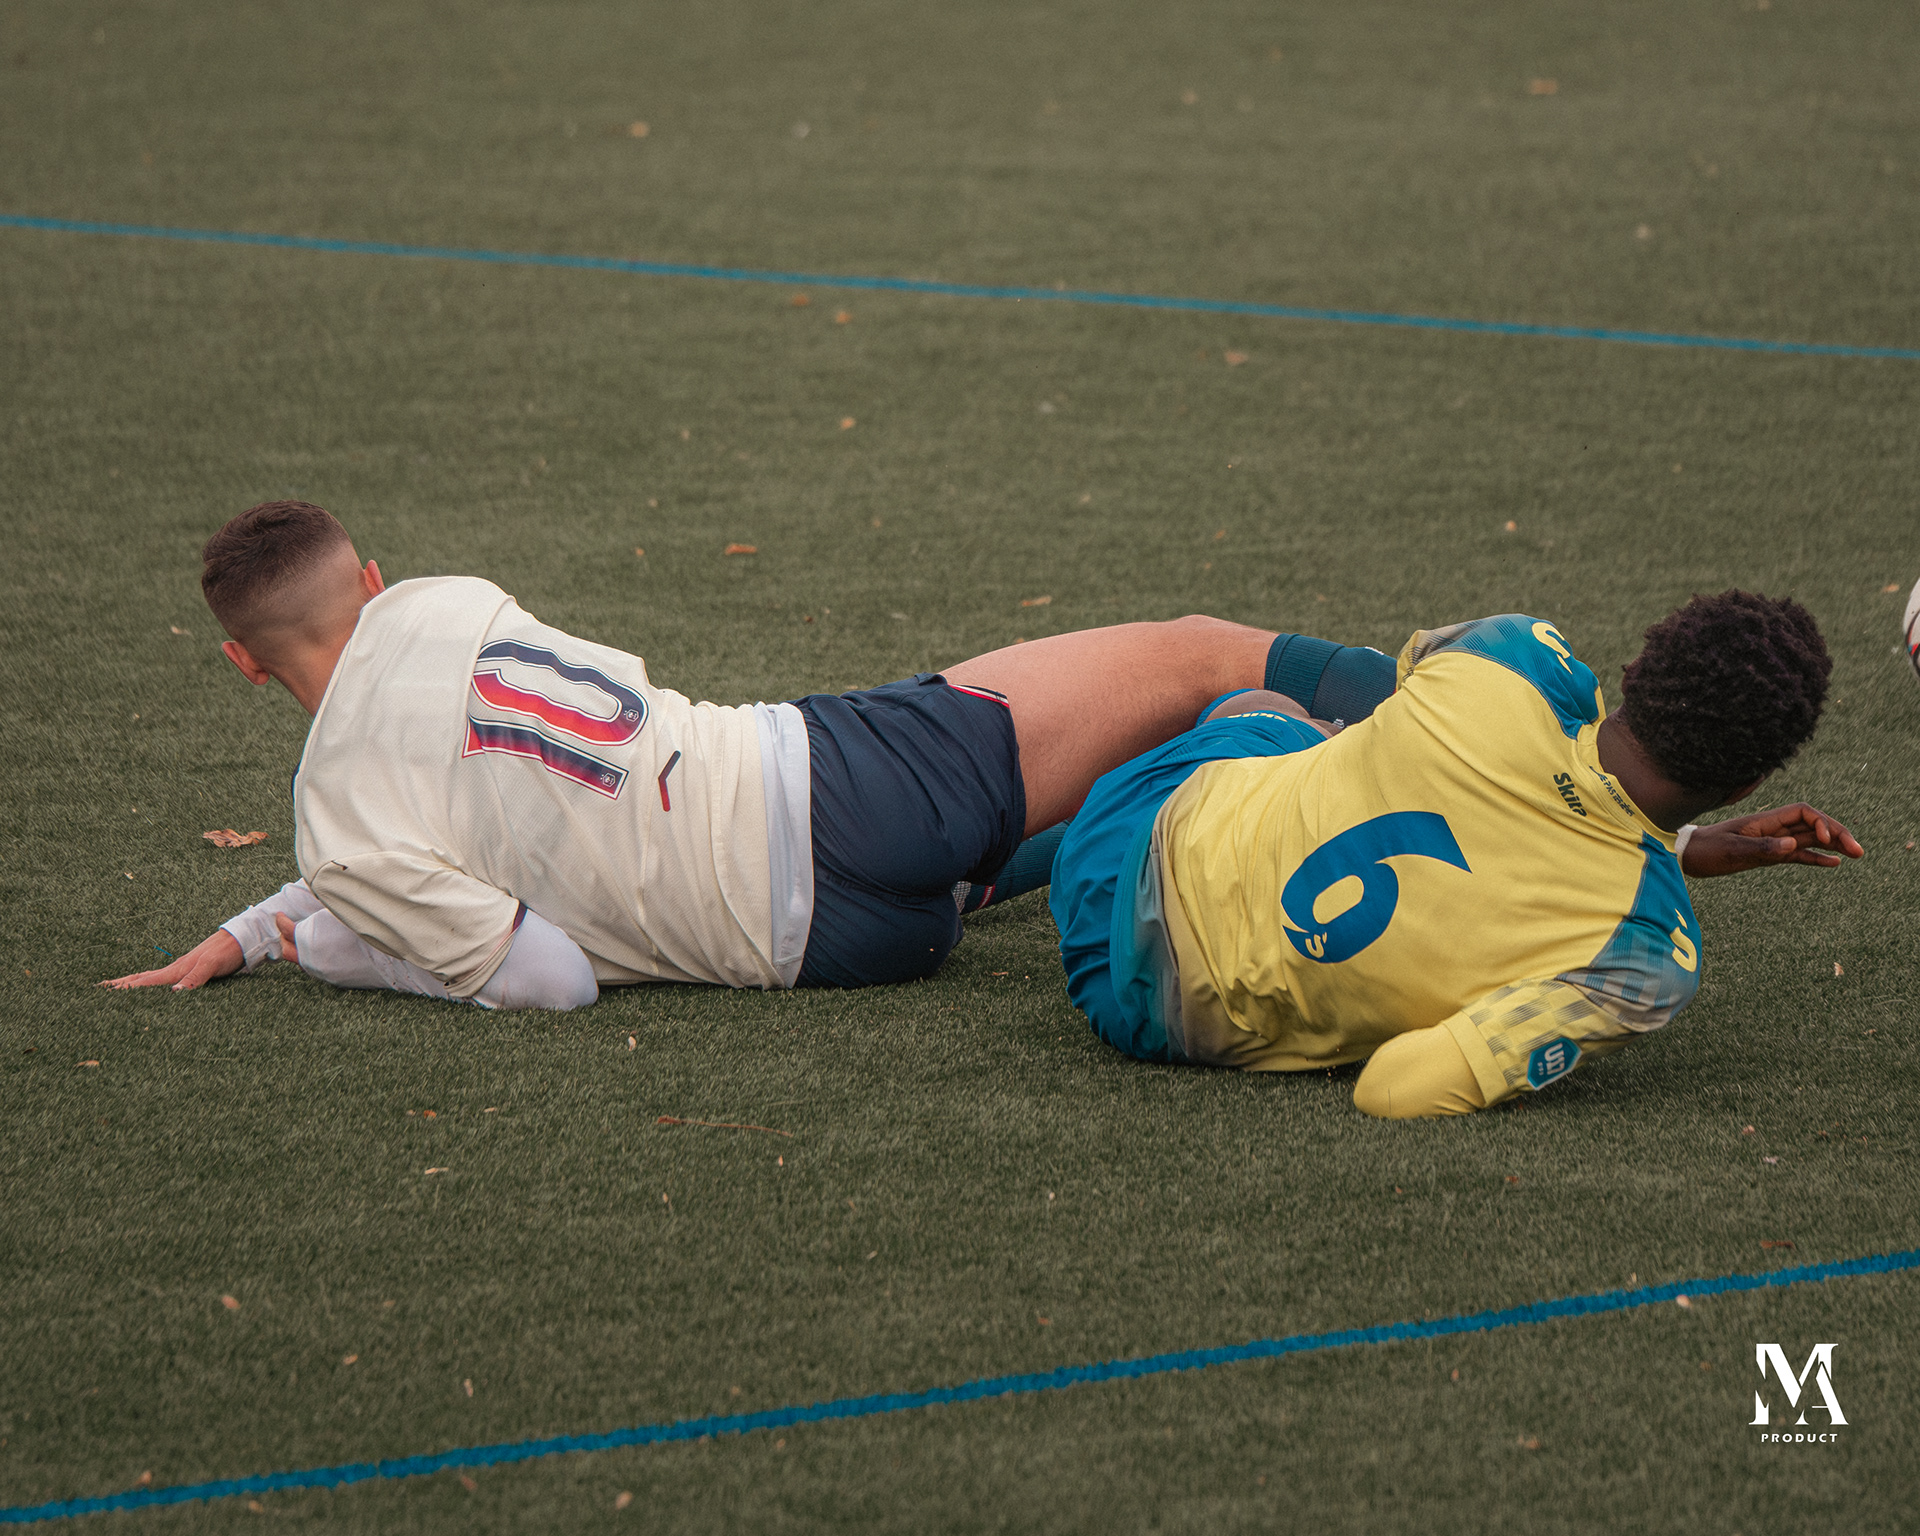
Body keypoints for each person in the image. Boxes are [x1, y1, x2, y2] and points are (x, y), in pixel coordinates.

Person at [106, 499, 1334, 1008]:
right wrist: (289, 921)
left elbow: (547, 975)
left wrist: (309, 939)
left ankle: (1233, 772)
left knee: (1080, 834)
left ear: (245, 665)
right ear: (372, 582)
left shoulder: (342, 832)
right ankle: (1455, 721)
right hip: (835, 787)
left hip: (838, 951)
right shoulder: (441, 597)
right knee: (1200, 657)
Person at [1049, 595, 1862, 1120]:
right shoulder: (1648, 960)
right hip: (1146, 1014)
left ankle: (1004, 863)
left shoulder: (1517, 654)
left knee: (1272, 714)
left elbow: (1413, 718)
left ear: (1637, 668)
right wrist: (1662, 853)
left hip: (1125, 835)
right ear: (1746, 781)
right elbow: (1395, 1089)